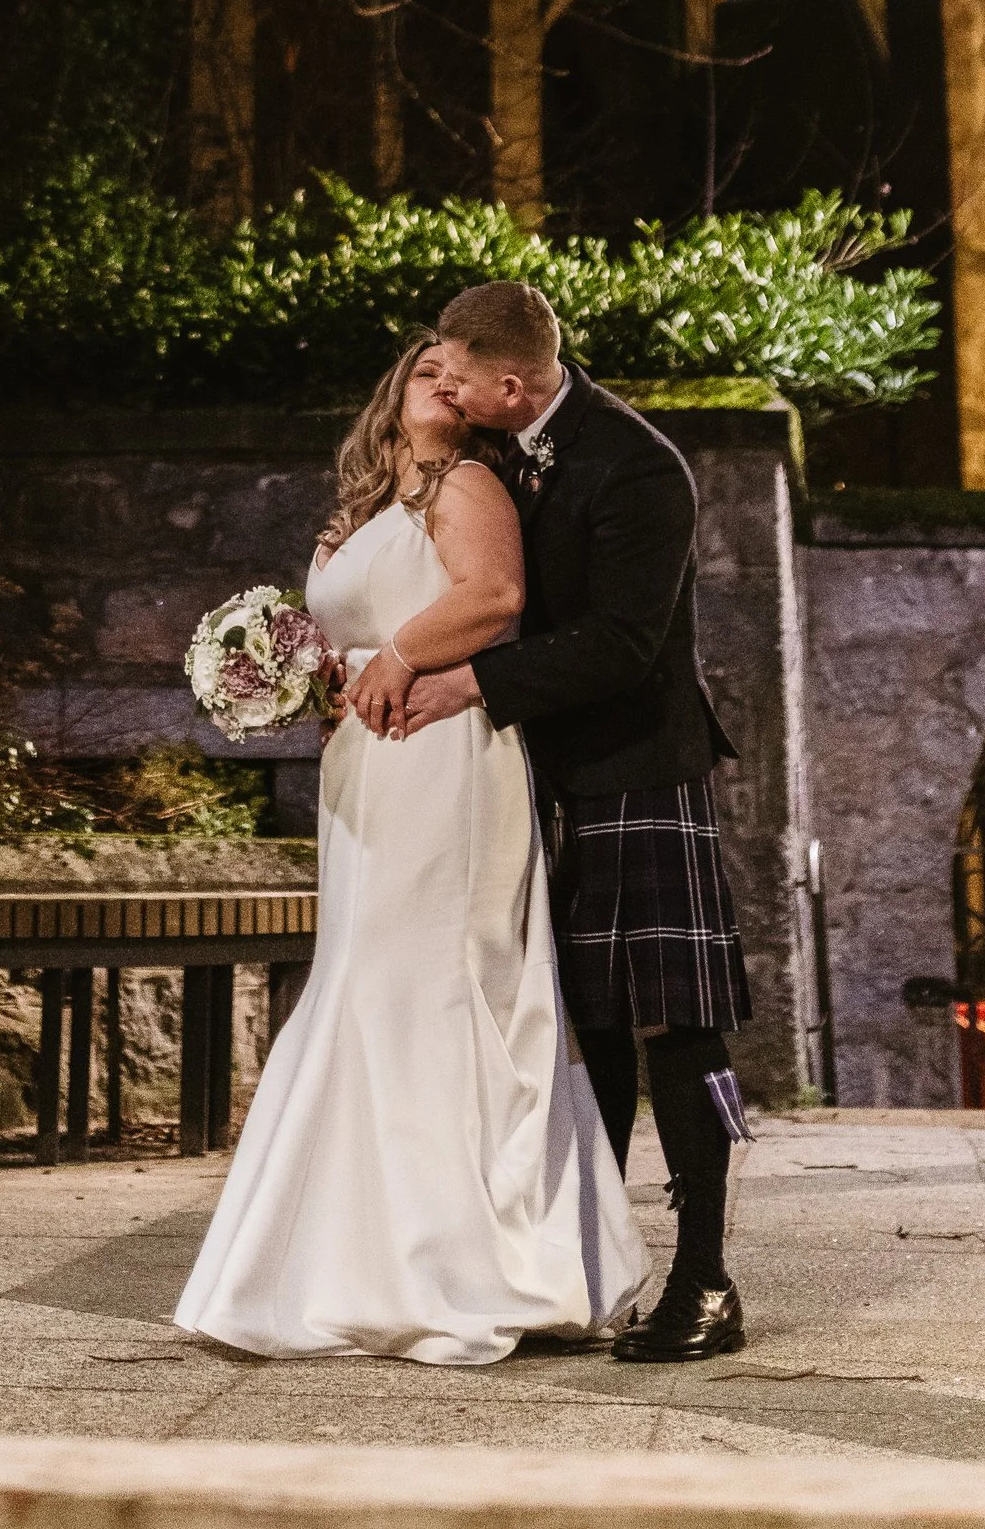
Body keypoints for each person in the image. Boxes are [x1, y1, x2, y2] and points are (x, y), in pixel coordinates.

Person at [172, 334, 640, 1365]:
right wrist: (293, 680)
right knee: (361, 982)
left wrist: (391, 656)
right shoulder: (361, 512)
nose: (437, 382)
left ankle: (474, 1266)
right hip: (366, 765)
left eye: (452, 375)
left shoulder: (467, 485)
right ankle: (356, 1265)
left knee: (426, 979)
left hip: (444, 753)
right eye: (422, 369)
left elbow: (491, 601)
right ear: (394, 389)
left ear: (473, 402)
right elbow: (348, 630)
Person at [357, 276, 753, 1362]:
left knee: (675, 1022)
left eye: (461, 378)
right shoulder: (491, 456)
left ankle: (707, 1277)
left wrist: (467, 684)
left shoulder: (638, 468)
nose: (445, 387)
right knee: (582, 1034)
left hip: (634, 771)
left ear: (513, 382)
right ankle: (589, 1263)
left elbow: (625, 644)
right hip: (525, 779)